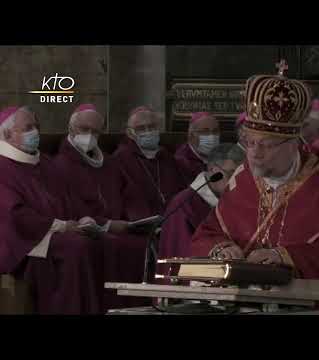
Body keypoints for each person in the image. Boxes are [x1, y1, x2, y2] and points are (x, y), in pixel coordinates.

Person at [190, 62, 319, 314]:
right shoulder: (243, 179)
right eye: (250, 143)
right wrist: (221, 248)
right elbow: (207, 233)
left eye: (267, 145)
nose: (255, 154)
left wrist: (284, 257)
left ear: (293, 144)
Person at [0, 106, 105, 314]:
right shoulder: (2, 167)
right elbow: (15, 215)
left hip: (53, 235)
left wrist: (83, 219)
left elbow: (68, 198)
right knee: (76, 247)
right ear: (6, 134)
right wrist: (62, 226)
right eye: (28, 128)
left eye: (36, 127)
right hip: (23, 243)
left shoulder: (45, 163)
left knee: (100, 242)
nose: (36, 133)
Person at [52, 104, 150, 309]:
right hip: (93, 230)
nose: (90, 135)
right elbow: (69, 207)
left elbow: (131, 195)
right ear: (71, 129)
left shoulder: (111, 163)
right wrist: (107, 224)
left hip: (120, 228)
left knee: (143, 245)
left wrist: (138, 221)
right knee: (113, 246)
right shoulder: (61, 165)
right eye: (84, 129)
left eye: (95, 131)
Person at [157, 143, 245, 268]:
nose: (237, 181)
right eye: (231, 174)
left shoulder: (236, 202)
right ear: (213, 170)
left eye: (241, 175)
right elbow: (182, 251)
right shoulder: (185, 204)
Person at [114, 105, 185, 220]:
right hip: (142, 224)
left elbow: (180, 191)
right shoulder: (121, 159)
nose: (148, 132)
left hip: (173, 220)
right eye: (141, 128)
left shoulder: (167, 156)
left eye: (152, 127)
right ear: (130, 133)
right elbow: (126, 198)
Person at [174, 112, 221, 184]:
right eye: (205, 131)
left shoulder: (222, 156)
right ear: (191, 135)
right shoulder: (182, 161)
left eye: (215, 131)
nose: (212, 136)